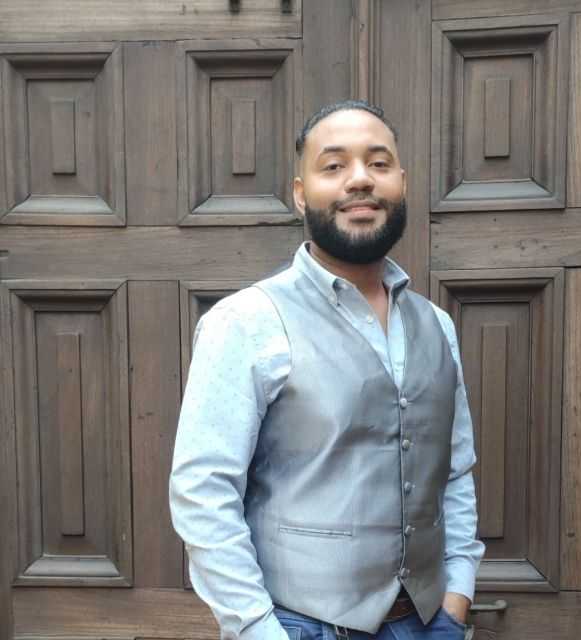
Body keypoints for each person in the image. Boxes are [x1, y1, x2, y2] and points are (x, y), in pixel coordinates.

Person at [169, 100, 484, 640]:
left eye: (378, 163)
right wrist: (258, 629)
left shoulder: (436, 325)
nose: (359, 179)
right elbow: (203, 491)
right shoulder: (246, 321)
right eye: (334, 165)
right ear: (300, 193)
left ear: (402, 183)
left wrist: (457, 594)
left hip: (429, 622)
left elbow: (454, 471)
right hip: (301, 625)